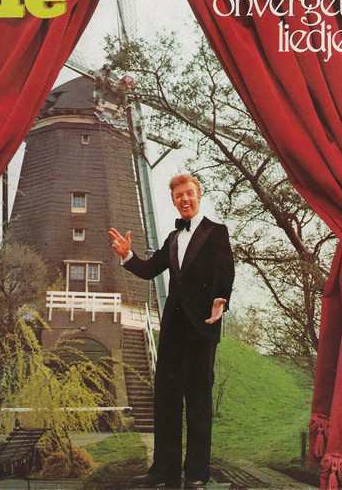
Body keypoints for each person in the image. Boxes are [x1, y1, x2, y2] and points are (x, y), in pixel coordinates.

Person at [108, 174, 234, 489]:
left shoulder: (217, 232)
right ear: (174, 201)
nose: (185, 199)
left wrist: (221, 298)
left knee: (199, 401)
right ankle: (163, 471)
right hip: (173, 331)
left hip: (202, 328)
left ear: (198, 195)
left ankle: (197, 474)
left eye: (189, 193)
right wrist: (127, 256)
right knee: (166, 399)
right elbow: (151, 269)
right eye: (179, 196)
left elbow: (226, 271)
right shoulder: (173, 238)